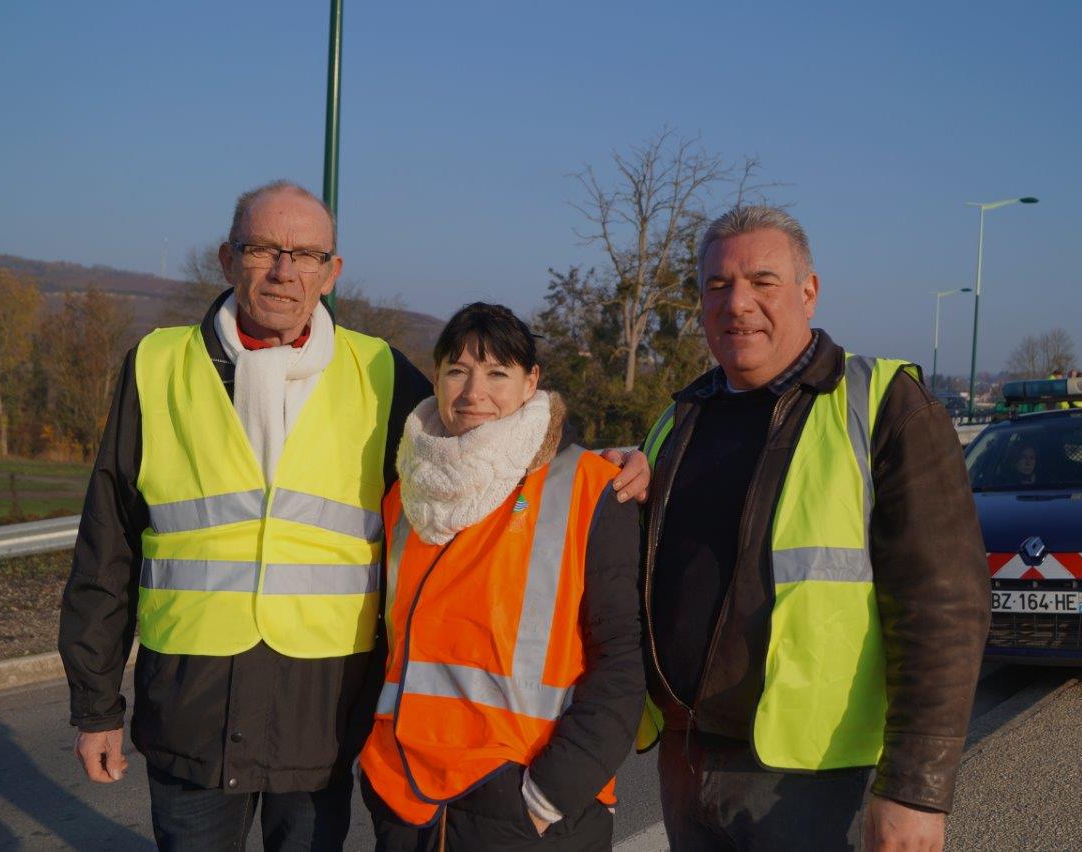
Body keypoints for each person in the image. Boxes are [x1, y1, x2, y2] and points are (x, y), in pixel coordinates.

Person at [57, 181, 651, 850]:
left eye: (307, 254)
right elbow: (106, 549)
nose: (285, 270)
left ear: (332, 272)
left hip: (321, 725)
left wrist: (604, 462)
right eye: (263, 249)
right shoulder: (156, 367)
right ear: (227, 259)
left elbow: (485, 445)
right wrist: (95, 705)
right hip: (189, 719)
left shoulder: (380, 373)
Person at [635, 205, 990, 851]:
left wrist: (915, 789)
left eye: (762, 281)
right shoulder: (677, 421)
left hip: (817, 781)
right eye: (718, 285)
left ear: (808, 291)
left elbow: (946, 608)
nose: (737, 303)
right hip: (687, 760)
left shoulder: (882, 404)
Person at [358, 303, 645, 851]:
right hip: (406, 799)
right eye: (457, 370)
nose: (473, 393)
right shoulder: (404, 496)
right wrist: (375, 770)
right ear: (437, 377)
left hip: (528, 805)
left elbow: (622, 663)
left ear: (530, 381)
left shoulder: (591, 486)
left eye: (497, 373)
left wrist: (546, 798)